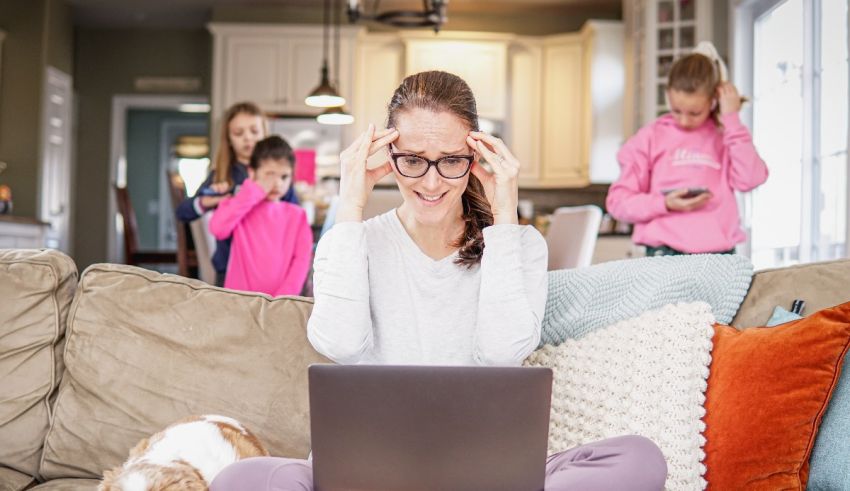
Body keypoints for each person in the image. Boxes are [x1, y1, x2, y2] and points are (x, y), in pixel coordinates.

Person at [210, 71, 667, 491]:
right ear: (387, 156)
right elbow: (342, 345)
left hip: (488, 468)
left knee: (638, 459)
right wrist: (350, 205)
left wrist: (504, 216)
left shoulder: (517, 245)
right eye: (412, 160)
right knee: (239, 480)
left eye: (451, 160)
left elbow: (502, 352)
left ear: (477, 157)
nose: (431, 183)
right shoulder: (349, 241)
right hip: (369, 469)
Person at [606, 42, 769, 256]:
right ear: (668, 95)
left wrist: (732, 120)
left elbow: (751, 179)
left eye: (694, 113)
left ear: (713, 101)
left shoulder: (727, 135)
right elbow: (618, 203)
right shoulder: (650, 137)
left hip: (719, 257)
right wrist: (664, 203)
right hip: (663, 254)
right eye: (676, 110)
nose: (684, 120)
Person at [176, 102, 299, 286]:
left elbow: (295, 213)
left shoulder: (279, 176)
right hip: (230, 269)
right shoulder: (222, 176)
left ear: (264, 133)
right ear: (229, 139)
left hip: (270, 268)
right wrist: (210, 201)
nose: (248, 138)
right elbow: (183, 212)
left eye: (254, 131)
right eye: (239, 133)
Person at [208, 135, 313, 297]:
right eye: (270, 174)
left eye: (284, 176)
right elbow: (217, 228)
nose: (277, 183)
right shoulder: (239, 206)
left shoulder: (298, 215)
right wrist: (253, 189)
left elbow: (301, 261)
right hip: (239, 300)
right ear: (252, 173)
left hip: (280, 302)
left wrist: (283, 297)